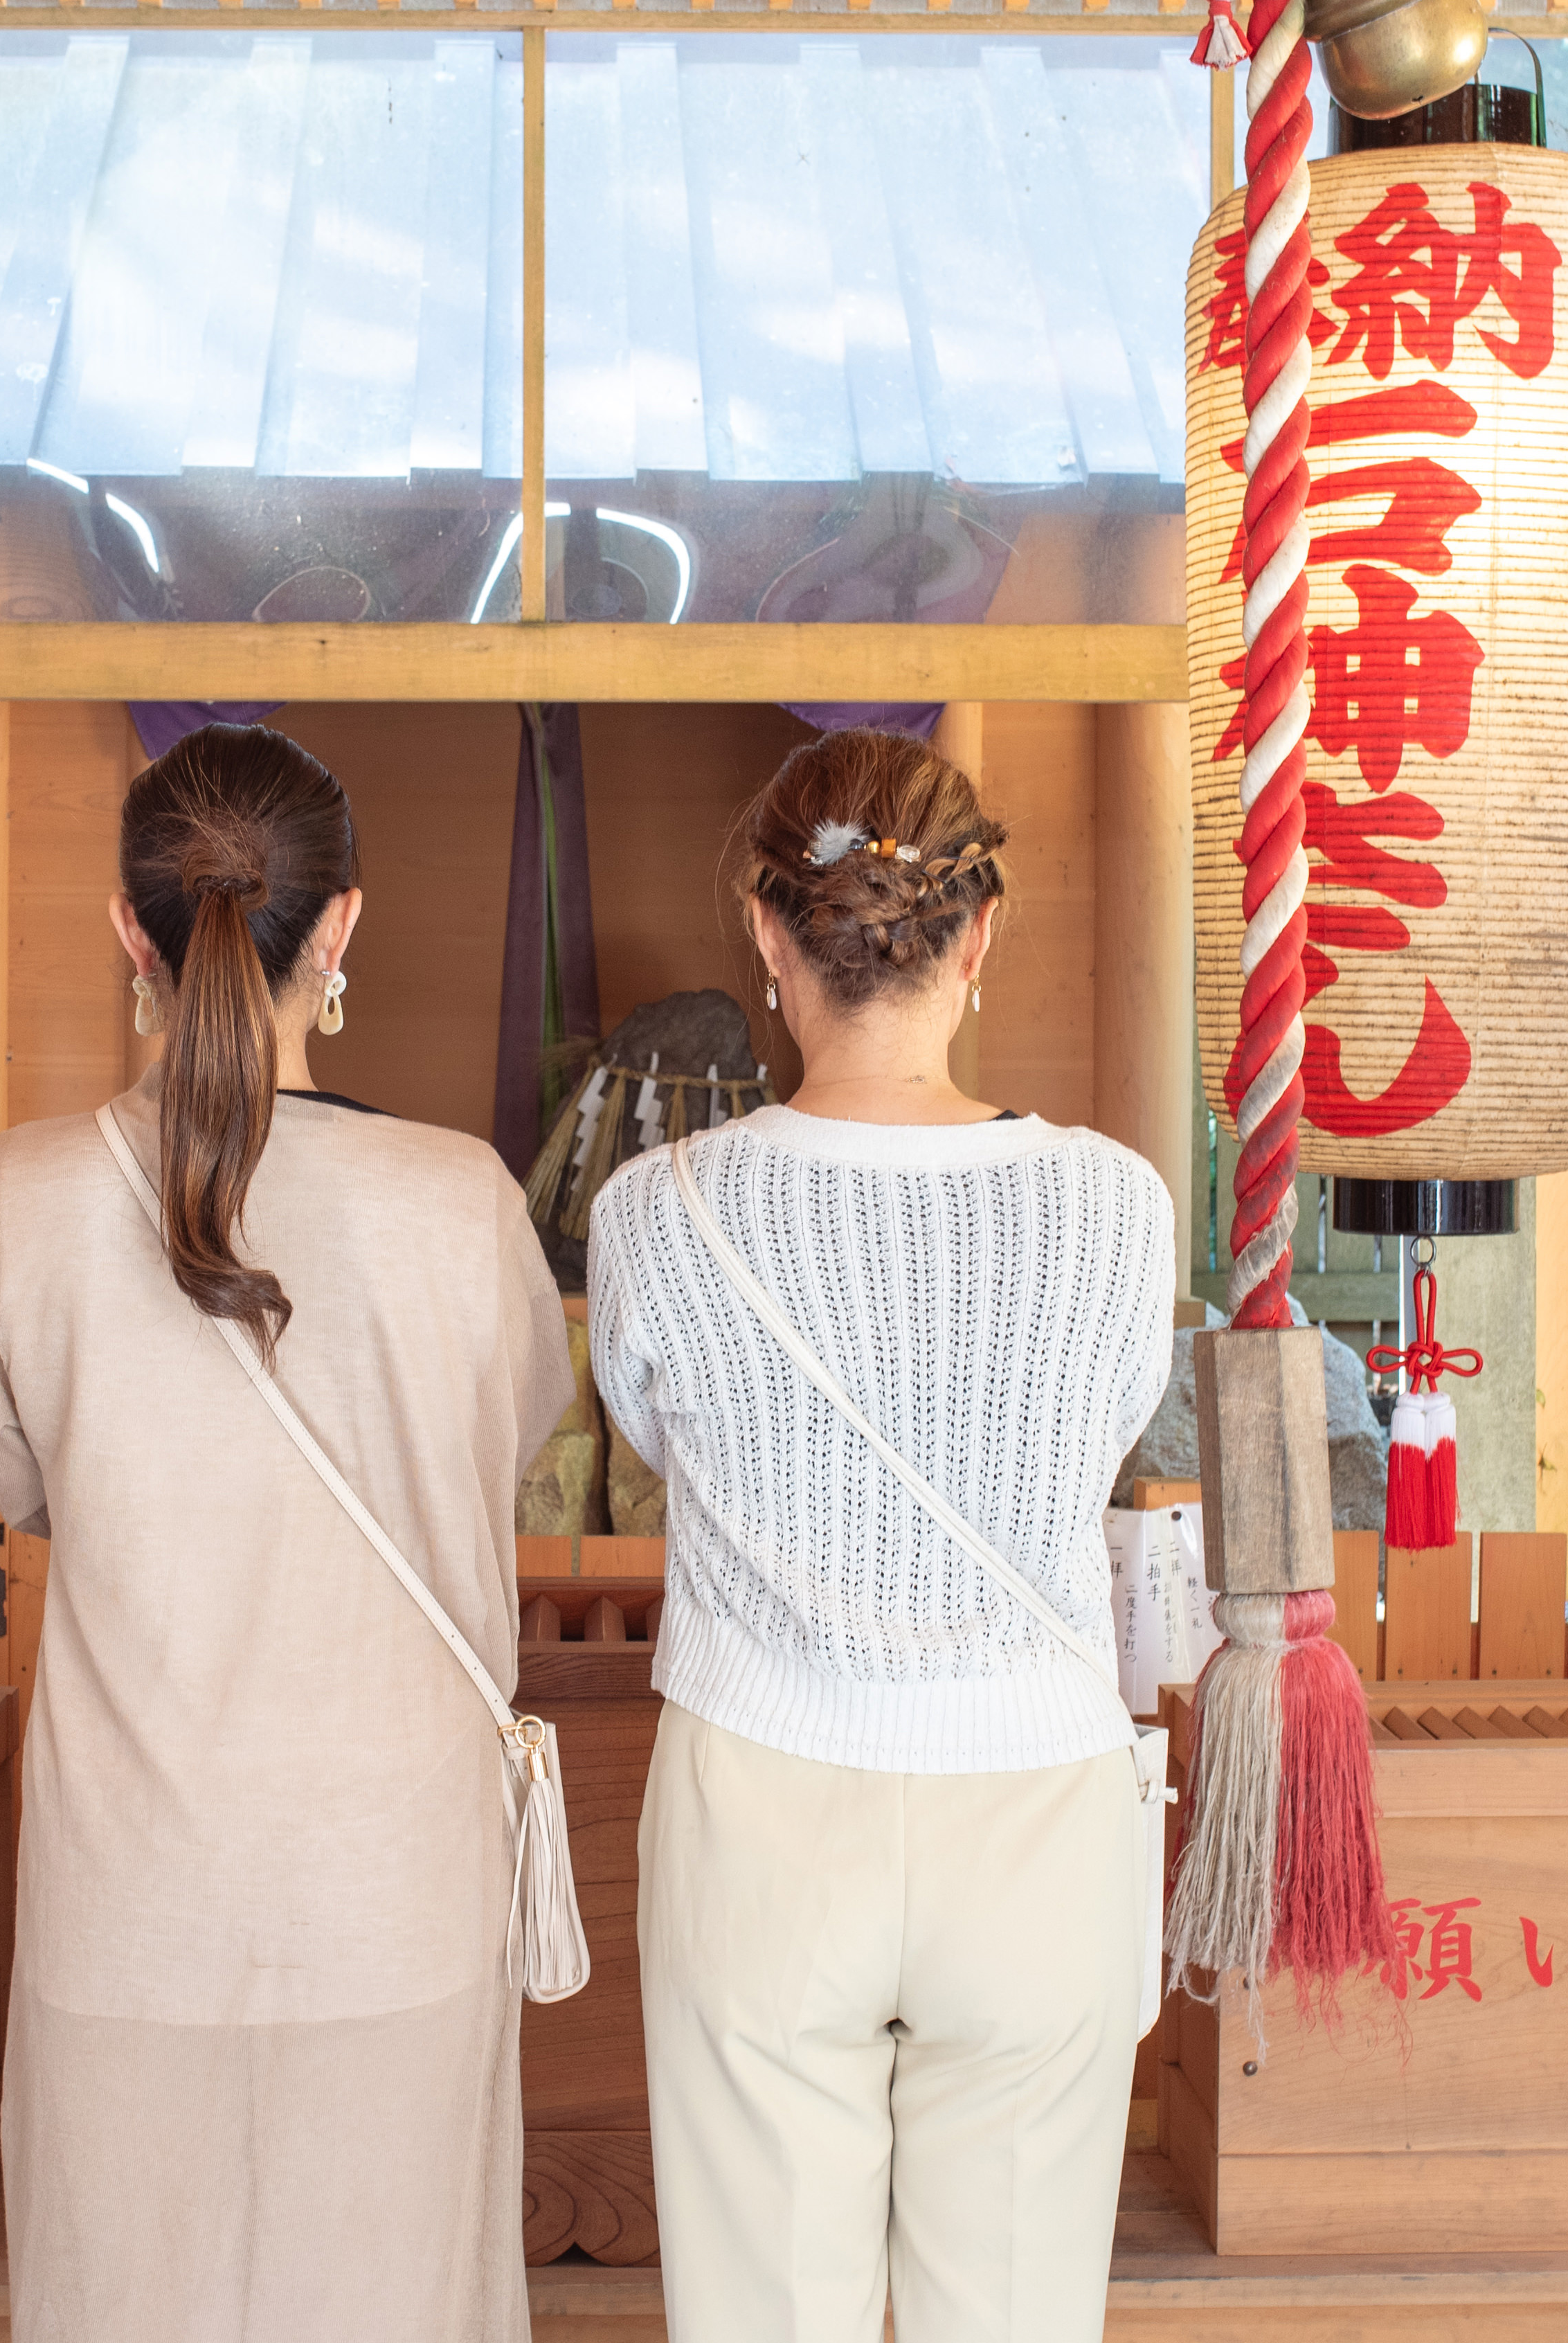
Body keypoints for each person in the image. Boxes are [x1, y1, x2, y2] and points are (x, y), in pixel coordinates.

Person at [0, 724, 573, 2343]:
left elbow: (20, 1487)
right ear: (343, 924)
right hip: (394, 1880)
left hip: (126, 1890)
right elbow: (499, 1451)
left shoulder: (15, 1199)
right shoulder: (462, 1203)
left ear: (125, 928)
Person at [587, 726, 1175, 2343]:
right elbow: (1101, 1431)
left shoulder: (656, 1210)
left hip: (760, 1794)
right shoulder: (1114, 1203)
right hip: (1036, 1804)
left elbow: (651, 1434)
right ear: (978, 938)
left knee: (763, 2312)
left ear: (770, 938)